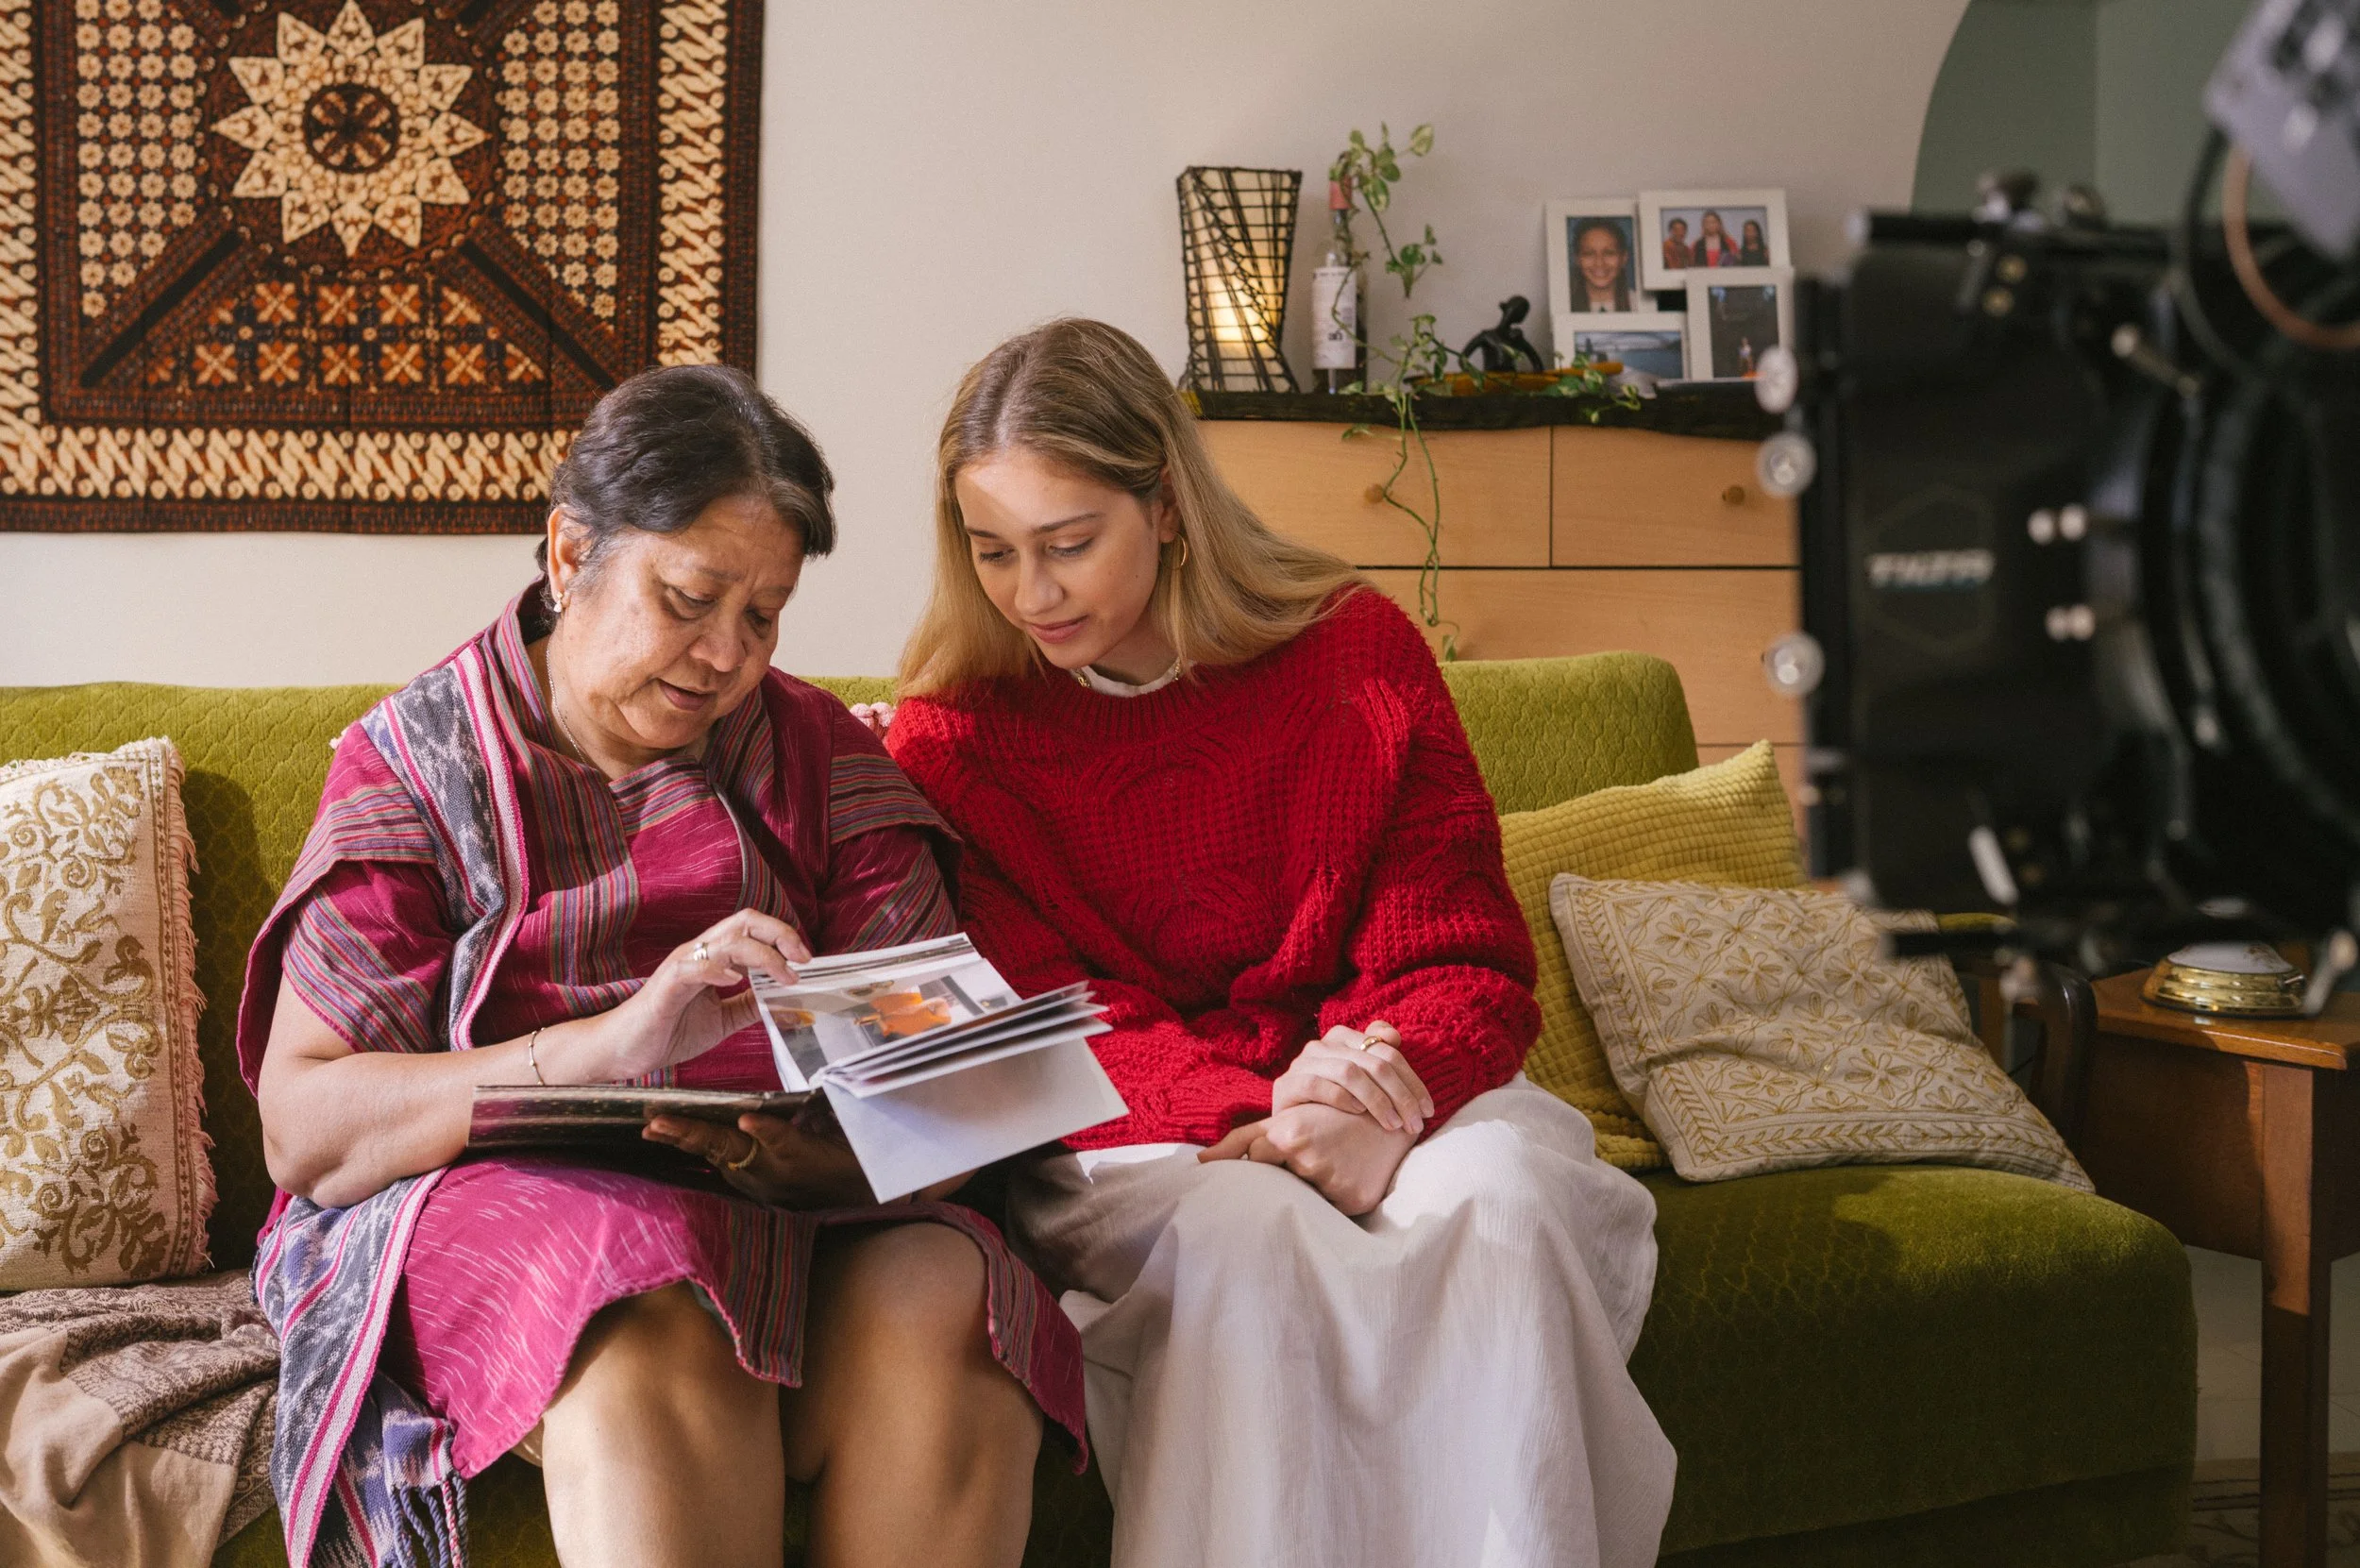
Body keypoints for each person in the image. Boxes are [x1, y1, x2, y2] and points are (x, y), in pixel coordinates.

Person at [242, 364, 1081, 1568]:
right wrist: (617, 1044)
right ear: (570, 553)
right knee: (662, 1291)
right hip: (522, 1217)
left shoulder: (815, 759)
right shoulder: (419, 765)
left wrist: (830, 1145)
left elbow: (948, 1074)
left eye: (764, 614)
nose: (724, 654)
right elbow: (305, 1122)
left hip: (794, 1214)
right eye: (689, 597)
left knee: (952, 1293)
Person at [880, 319, 1674, 1568]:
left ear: (1170, 507)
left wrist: (1370, 1098)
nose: (1031, 594)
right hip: (1141, 1128)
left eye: (1070, 544)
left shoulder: (1355, 655)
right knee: (1247, 1231)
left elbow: (1461, 953)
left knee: (1505, 1201)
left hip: (1390, 1081)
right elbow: (1045, 1018)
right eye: (994, 553)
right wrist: (1274, 1112)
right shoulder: (950, 742)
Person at [1572, 216, 1634, 312]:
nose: (1599, 263)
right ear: (1577, 259)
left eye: (1609, 253)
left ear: (1623, 258)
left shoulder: (1641, 305)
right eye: (1589, 253)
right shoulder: (1563, 304)